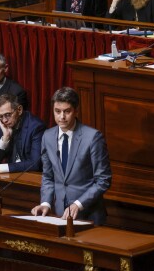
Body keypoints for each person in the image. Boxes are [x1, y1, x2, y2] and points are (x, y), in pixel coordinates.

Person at [31, 87, 111, 225]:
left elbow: (103, 180)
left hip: (89, 214)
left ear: (76, 111)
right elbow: (48, 176)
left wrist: (79, 204)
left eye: (67, 111)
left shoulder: (92, 137)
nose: (62, 117)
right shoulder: (48, 136)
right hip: (60, 214)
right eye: (57, 111)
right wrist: (46, 203)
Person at [0, 94, 45, 173]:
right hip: (11, 175)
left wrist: (0, 168)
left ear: (19, 110)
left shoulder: (36, 127)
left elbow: (35, 163)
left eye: (8, 115)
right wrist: (4, 140)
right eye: (0, 116)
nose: (4, 120)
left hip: (30, 177)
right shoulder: (3, 125)